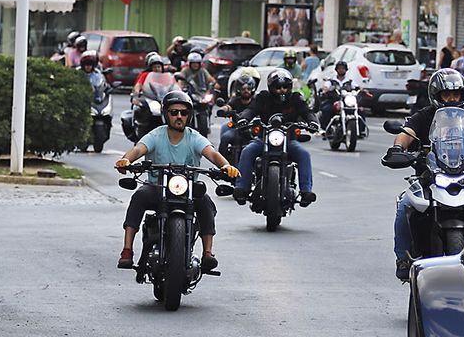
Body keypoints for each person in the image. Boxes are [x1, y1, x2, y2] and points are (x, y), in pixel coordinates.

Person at [382, 68, 464, 279]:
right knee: (405, 205)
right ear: (436, 95)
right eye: (446, 94)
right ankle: (402, 257)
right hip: (429, 177)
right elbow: (406, 134)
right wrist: (398, 149)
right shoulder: (425, 115)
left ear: (462, 95)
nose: (451, 98)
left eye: (456, 94)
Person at [113, 89, 238, 272]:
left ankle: (208, 253)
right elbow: (139, 149)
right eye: (174, 112)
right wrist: (127, 160)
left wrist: (226, 166)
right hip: (157, 187)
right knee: (139, 197)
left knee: (205, 203)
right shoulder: (156, 135)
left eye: (184, 112)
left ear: (189, 115)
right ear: (166, 115)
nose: (179, 116)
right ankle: (127, 249)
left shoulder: (194, 137)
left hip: (188, 190)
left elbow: (212, 153)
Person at [233, 68, 316, 207]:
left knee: (304, 154)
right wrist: (243, 119)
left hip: (289, 140)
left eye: (285, 87)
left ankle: (306, 191)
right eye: (278, 87)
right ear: (271, 88)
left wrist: (313, 122)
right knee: (247, 151)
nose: (281, 90)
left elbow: (307, 112)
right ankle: (241, 188)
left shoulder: (296, 98)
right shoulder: (263, 97)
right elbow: (251, 110)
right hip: (264, 139)